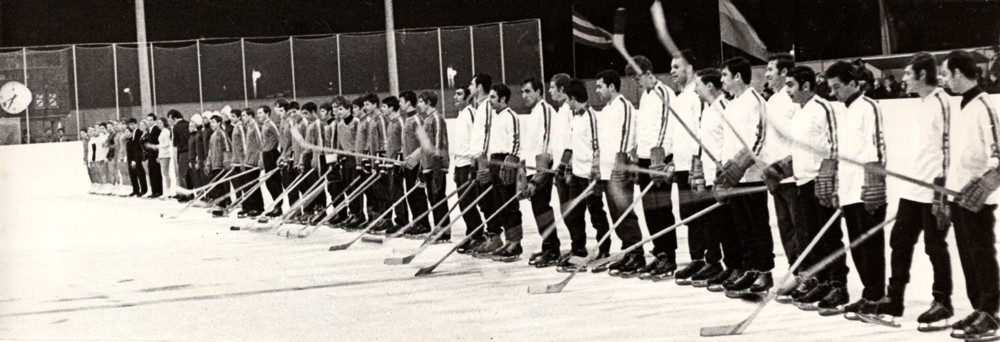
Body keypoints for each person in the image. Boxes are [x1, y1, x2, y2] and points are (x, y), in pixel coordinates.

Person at [860, 52, 955, 331]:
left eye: (907, 74)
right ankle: (894, 301)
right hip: (913, 190)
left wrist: (942, 193)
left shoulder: (943, 103)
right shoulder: (922, 103)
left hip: (934, 190)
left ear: (922, 75)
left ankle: (942, 302)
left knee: (935, 247)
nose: (903, 79)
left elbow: (949, 149)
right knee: (899, 241)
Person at [941, 49, 1000, 340]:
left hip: (978, 198)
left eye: (945, 73)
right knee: (967, 256)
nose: (943, 79)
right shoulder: (961, 105)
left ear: (958, 73)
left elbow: (997, 154)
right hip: (958, 196)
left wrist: (986, 183)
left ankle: (990, 312)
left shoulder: (984, 105)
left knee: (982, 254)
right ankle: (979, 308)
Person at [782, 66, 850, 312]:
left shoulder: (823, 108)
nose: (786, 90)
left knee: (829, 237)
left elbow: (834, 144)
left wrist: (828, 176)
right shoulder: (798, 112)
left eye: (790, 84)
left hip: (820, 183)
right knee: (810, 238)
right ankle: (820, 281)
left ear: (806, 85)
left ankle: (838, 285)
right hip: (802, 182)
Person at [715, 57, 773, 295]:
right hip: (734, 177)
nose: (722, 80)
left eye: (725, 76)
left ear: (738, 77)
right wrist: (725, 168)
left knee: (758, 226)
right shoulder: (733, 103)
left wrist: (740, 165)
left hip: (752, 177)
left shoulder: (755, 101)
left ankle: (764, 272)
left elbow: (759, 139)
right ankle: (749, 269)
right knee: (742, 228)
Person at [624, 55, 679, 280]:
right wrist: (636, 155)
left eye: (638, 78)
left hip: (659, 159)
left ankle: (669, 256)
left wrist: (659, 158)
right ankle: (659, 252)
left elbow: (667, 127)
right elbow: (643, 129)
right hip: (646, 160)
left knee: (662, 209)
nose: (637, 83)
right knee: (649, 211)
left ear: (648, 73)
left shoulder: (664, 93)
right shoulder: (645, 97)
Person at [691, 68, 744, 290]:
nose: (695, 90)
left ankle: (736, 266)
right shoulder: (708, 109)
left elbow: (729, 142)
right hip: (709, 175)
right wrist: (698, 172)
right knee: (714, 225)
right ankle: (719, 264)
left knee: (728, 225)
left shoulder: (725, 107)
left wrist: (724, 175)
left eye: (698, 85)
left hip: (723, 177)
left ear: (710, 86)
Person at [555, 78, 612, 273]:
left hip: (589, 176)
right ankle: (578, 250)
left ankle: (604, 250)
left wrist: (595, 174)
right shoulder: (575, 117)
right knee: (574, 214)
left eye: (568, 99)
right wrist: (568, 168)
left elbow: (597, 148)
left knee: (596, 213)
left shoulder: (591, 117)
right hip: (577, 176)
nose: (567, 103)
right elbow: (573, 147)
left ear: (573, 98)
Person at [592, 69, 645, 277]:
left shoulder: (624, 106)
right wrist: (597, 167)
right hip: (606, 172)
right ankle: (628, 250)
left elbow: (626, 136)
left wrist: (620, 164)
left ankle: (636, 253)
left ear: (611, 87)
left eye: (599, 86)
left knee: (624, 212)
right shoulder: (605, 110)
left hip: (618, 171)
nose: (597, 90)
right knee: (615, 214)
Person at [760, 53, 803, 295]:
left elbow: (798, 138)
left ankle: (807, 273)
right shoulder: (773, 100)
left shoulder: (791, 100)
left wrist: (787, 165)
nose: (766, 74)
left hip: (792, 174)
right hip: (775, 175)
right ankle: (795, 271)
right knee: (785, 226)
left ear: (784, 73)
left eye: (770, 69)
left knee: (799, 226)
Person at [470, 83, 523, 260]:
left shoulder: (511, 116)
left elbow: (516, 143)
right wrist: (484, 164)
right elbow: (487, 142)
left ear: (503, 99)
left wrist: (511, 160)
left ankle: (515, 243)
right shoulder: (493, 117)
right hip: (493, 161)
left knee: (509, 205)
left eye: (493, 97)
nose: (490, 101)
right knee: (498, 203)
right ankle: (507, 241)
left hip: (506, 162)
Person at [519, 77, 560, 265]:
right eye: (522, 92)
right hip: (531, 169)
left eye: (527, 91)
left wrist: (539, 175)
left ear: (538, 91)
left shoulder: (545, 110)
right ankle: (548, 245)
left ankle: (552, 249)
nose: (524, 95)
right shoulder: (533, 113)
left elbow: (547, 143)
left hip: (541, 169)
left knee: (542, 208)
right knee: (537, 209)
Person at [456, 73, 496, 254]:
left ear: (479, 87)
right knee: (477, 203)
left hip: (480, 162)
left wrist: (480, 162)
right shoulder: (478, 108)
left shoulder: (485, 107)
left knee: (484, 202)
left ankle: (490, 236)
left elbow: (484, 137)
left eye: (472, 85)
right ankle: (482, 236)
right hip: (472, 162)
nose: (469, 88)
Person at [450, 85, 487, 249]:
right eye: (455, 94)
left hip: (468, 164)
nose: (455, 97)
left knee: (468, 201)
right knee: (462, 203)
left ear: (467, 97)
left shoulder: (472, 113)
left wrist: (475, 165)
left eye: (459, 94)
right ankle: (472, 233)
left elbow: (476, 139)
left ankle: (477, 235)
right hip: (459, 164)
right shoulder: (460, 115)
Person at [417, 91, 451, 244]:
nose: (419, 105)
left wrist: (437, 164)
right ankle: (438, 227)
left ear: (429, 102)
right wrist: (422, 167)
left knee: (438, 197)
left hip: (436, 165)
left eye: (421, 102)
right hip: (428, 166)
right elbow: (424, 147)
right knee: (432, 198)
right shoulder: (426, 120)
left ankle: (444, 229)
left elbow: (438, 143)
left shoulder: (436, 118)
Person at [169, 110, 191, 193]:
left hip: (183, 152)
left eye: (170, 119)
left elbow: (174, 143)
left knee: (182, 174)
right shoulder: (188, 123)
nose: (170, 122)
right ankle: (191, 192)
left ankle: (185, 194)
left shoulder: (176, 127)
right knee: (189, 174)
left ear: (174, 118)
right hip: (191, 151)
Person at [153, 117, 174, 198]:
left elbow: (166, 144)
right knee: (164, 173)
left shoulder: (166, 132)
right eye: (158, 123)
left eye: (160, 123)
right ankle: (167, 190)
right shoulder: (162, 132)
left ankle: (168, 190)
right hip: (162, 154)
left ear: (164, 123)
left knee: (166, 173)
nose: (159, 125)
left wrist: (157, 146)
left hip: (165, 154)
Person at [126, 118, 148, 197]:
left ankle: (144, 190)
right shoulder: (132, 134)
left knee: (140, 173)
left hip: (138, 156)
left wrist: (135, 159)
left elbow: (138, 146)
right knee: (133, 174)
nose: (132, 126)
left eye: (133, 124)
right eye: (130, 125)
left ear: (136, 124)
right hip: (133, 156)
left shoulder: (139, 132)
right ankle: (135, 190)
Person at [143, 115, 163, 198]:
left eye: (151, 120)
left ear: (154, 121)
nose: (149, 122)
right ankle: (154, 190)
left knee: (156, 173)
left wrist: (158, 155)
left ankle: (158, 191)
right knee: (151, 172)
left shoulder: (156, 129)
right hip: (150, 154)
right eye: (148, 120)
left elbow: (158, 143)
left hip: (155, 154)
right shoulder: (150, 130)